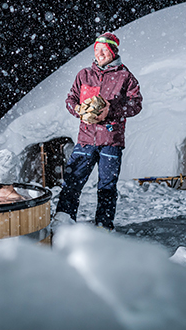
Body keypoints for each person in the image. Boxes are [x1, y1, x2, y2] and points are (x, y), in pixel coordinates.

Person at [55, 32, 143, 229]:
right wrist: (77, 110)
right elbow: (70, 99)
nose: (100, 54)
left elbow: (136, 104)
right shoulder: (84, 75)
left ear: (113, 52)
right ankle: (63, 223)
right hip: (85, 139)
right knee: (72, 182)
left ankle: (104, 226)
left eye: (104, 50)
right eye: (97, 50)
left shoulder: (125, 77)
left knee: (107, 187)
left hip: (111, 141)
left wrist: (111, 110)